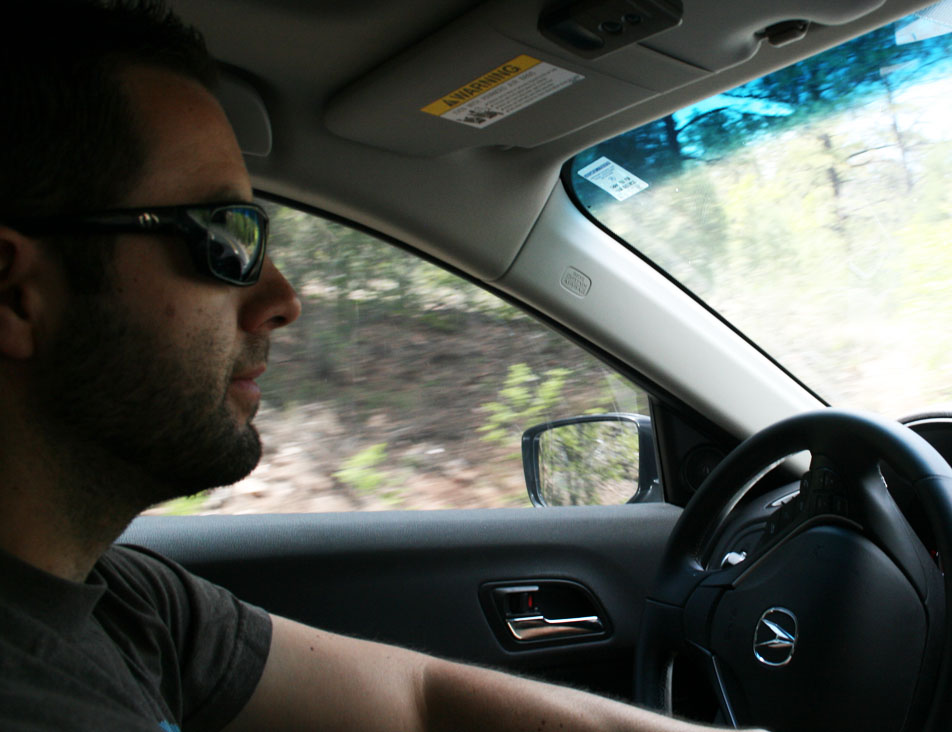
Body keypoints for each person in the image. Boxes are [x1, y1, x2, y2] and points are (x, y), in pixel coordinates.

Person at [0, 2, 762, 730]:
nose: (282, 300)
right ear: (14, 295)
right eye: (224, 238)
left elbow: (421, 702)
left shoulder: (124, 602)